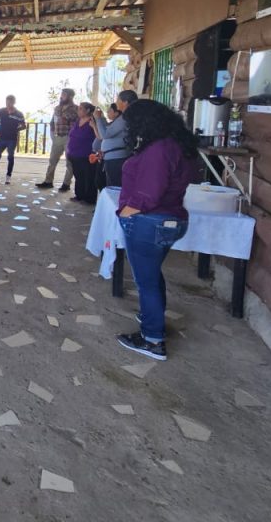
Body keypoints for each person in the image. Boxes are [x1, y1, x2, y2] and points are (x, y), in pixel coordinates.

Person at [116, 99, 200, 361]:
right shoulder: (177, 145)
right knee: (152, 275)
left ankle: (152, 339)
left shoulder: (159, 149)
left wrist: (126, 213)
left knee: (146, 282)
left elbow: (147, 194)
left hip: (149, 221)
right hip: (169, 219)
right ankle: (153, 317)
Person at [94, 89, 139, 187]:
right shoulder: (127, 116)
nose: (116, 102)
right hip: (115, 156)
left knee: (114, 186)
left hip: (117, 158)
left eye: (118, 99)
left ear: (125, 102)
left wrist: (98, 118)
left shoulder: (124, 118)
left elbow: (105, 135)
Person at [36, 88, 76, 191]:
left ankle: (66, 184)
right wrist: (52, 134)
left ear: (70, 96)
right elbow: (52, 122)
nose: (61, 96)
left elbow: (76, 123)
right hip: (57, 137)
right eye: (61, 94)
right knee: (52, 160)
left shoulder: (76, 108)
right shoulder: (57, 108)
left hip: (69, 138)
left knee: (69, 163)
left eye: (64, 94)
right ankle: (48, 181)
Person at [0, 95, 26, 185]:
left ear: (14, 103)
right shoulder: (2, 111)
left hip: (12, 139)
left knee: (10, 157)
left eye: (10, 102)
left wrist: (16, 129)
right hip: (1, 138)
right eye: (6, 102)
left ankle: (8, 177)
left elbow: (24, 126)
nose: (8, 104)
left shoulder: (19, 114)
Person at [66, 103, 98, 204]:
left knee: (88, 176)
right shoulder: (78, 121)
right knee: (78, 176)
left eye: (80, 109)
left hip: (86, 154)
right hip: (74, 153)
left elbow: (99, 136)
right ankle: (79, 195)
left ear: (88, 110)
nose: (78, 111)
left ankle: (89, 199)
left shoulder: (92, 121)